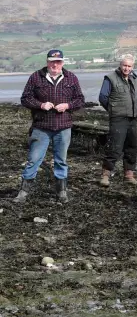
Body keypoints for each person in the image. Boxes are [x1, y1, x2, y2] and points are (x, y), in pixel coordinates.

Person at [14, 49, 85, 203]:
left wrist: (67, 105)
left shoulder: (71, 78)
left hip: (63, 127)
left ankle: (61, 192)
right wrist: (40, 105)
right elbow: (25, 99)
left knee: (61, 160)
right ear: (47, 62)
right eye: (52, 61)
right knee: (34, 159)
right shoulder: (36, 77)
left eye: (58, 61)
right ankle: (23, 192)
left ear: (63, 63)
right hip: (41, 127)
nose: (55, 64)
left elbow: (80, 100)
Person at [98, 54, 137, 186]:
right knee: (114, 148)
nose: (126, 68)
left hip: (133, 118)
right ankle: (105, 175)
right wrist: (113, 110)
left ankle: (129, 174)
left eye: (129, 66)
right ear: (120, 65)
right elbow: (103, 97)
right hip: (118, 118)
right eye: (124, 65)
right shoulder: (110, 78)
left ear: (132, 67)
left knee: (132, 147)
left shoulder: (134, 78)